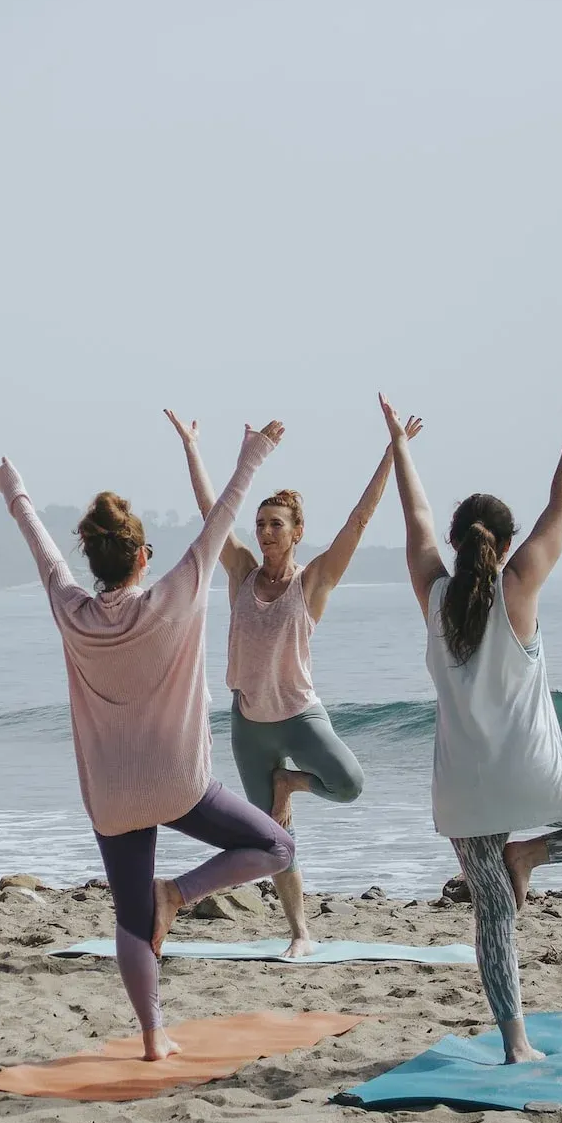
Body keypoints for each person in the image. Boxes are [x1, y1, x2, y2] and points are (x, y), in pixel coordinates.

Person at [381, 370, 562, 1062]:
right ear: (505, 545)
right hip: (537, 777)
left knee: (494, 915)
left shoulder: (433, 595)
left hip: (464, 792)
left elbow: (414, 521)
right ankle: (534, 850)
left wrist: (400, 447)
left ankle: (516, 1043)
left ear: (456, 545)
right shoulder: (520, 588)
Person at [0, 422, 296, 1061]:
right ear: (142, 556)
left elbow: (41, 548)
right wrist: (253, 455)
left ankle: (153, 1040)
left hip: (113, 796)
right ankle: (178, 893)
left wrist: (13, 489)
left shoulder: (70, 609)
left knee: (130, 920)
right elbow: (222, 520)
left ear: (95, 563)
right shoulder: (174, 596)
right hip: (179, 784)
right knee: (277, 846)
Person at [166, 408, 423, 956]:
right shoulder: (238, 572)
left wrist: (391, 452)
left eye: (275, 524)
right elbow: (213, 512)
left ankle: (292, 784)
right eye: (260, 524)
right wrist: (192, 446)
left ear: (297, 531)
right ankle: (300, 932)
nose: (263, 532)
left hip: (301, 717)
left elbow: (358, 522)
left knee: (349, 783)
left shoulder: (315, 581)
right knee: (275, 842)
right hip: (249, 724)